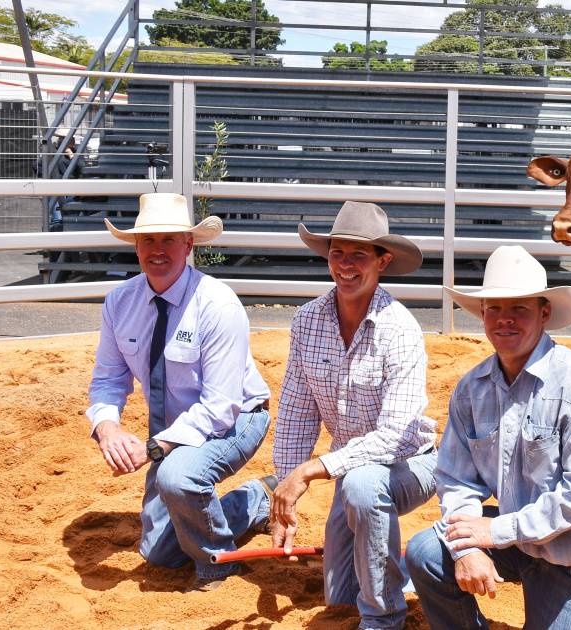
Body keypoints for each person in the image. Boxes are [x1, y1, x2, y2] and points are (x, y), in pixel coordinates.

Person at [405, 245, 571, 629]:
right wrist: (468, 546)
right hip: (520, 538)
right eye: (495, 309)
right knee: (426, 552)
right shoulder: (472, 390)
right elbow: (455, 479)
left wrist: (496, 530)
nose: (505, 320)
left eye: (518, 308)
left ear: (544, 313)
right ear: (483, 315)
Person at [86, 192, 273, 592]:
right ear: (135, 246)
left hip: (239, 418)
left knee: (177, 475)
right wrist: (107, 428)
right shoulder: (119, 302)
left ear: (188, 245)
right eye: (148, 240)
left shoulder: (217, 303)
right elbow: (107, 380)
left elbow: (221, 407)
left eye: (169, 239)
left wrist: (154, 449)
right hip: (176, 431)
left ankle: (218, 563)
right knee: (160, 553)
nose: (158, 250)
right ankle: (254, 500)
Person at [272, 201, 439, 630]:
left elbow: (395, 436)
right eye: (337, 253)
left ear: (382, 261)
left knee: (364, 487)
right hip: (348, 468)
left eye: (358, 255)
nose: (345, 265)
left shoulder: (400, 328)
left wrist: (312, 471)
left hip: (412, 462)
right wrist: (287, 490)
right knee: (339, 595)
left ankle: (385, 618)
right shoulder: (307, 320)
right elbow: (296, 410)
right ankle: (382, 592)